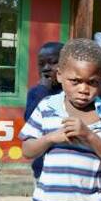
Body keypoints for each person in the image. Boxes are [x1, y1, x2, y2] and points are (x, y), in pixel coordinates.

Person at [18, 39, 101, 201]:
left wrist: (89, 136)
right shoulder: (47, 107)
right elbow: (27, 149)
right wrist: (51, 138)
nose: (84, 89)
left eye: (92, 82)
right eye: (75, 81)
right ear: (60, 75)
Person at [25, 41, 64, 179]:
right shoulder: (35, 93)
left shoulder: (71, 93)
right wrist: (43, 89)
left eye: (53, 62)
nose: (46, 68)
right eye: (41, 64)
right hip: (43, 168)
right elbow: (30, 120)